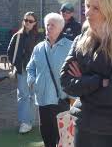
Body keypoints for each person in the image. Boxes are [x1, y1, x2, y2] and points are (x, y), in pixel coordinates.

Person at [60, 0, 112, 147]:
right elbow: (65, 81)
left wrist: (82, 83)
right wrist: (98, 82)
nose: (87, 13)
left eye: (95, 8)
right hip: (84, 126)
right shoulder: (80, 40)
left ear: (111, 11)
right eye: (87, 6)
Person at [26, 12, 72, 147]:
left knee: (62, 138)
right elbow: (30, 68)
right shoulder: (38, 48)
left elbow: (77, 71)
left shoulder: (70, 46)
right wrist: (33, 82)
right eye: (47, 25)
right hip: (42, 99)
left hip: (61, 99)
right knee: (47, 135)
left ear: (60, 28)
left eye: (53, 25)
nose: (49, 28)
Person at [7, 11, 39, 134]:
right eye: (26, 20)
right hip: (22, 69)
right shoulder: (17, 36)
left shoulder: (38, 36)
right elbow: (10, 52)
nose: (27, 23)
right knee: (23, 96)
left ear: (35, 23)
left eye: (30, 21)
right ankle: (24, 122)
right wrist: (16, 65)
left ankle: (30, 120)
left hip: (35, 70)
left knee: (32, 96)